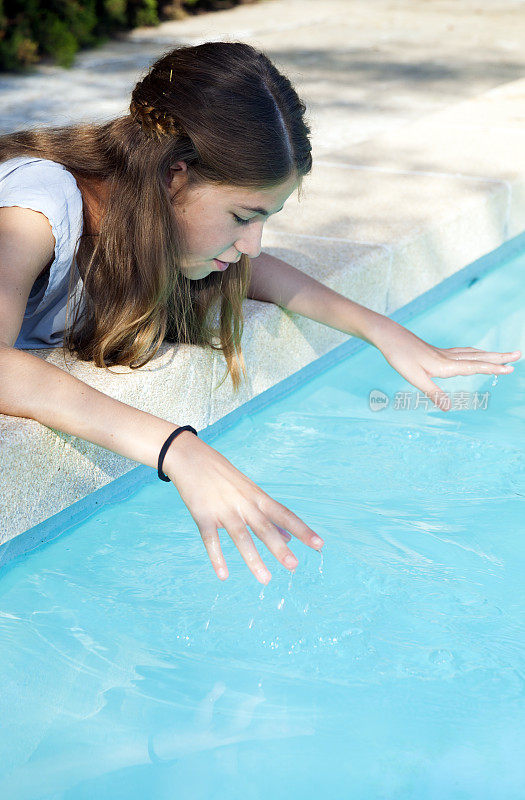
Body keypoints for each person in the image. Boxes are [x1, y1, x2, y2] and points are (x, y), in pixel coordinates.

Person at [0, 41, 520, 584]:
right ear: (175, 174)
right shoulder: (39, 205)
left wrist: (384, 332)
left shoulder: (158, 222)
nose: (251, 243)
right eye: (244, 216)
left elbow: (262, 274)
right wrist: (178, 449)